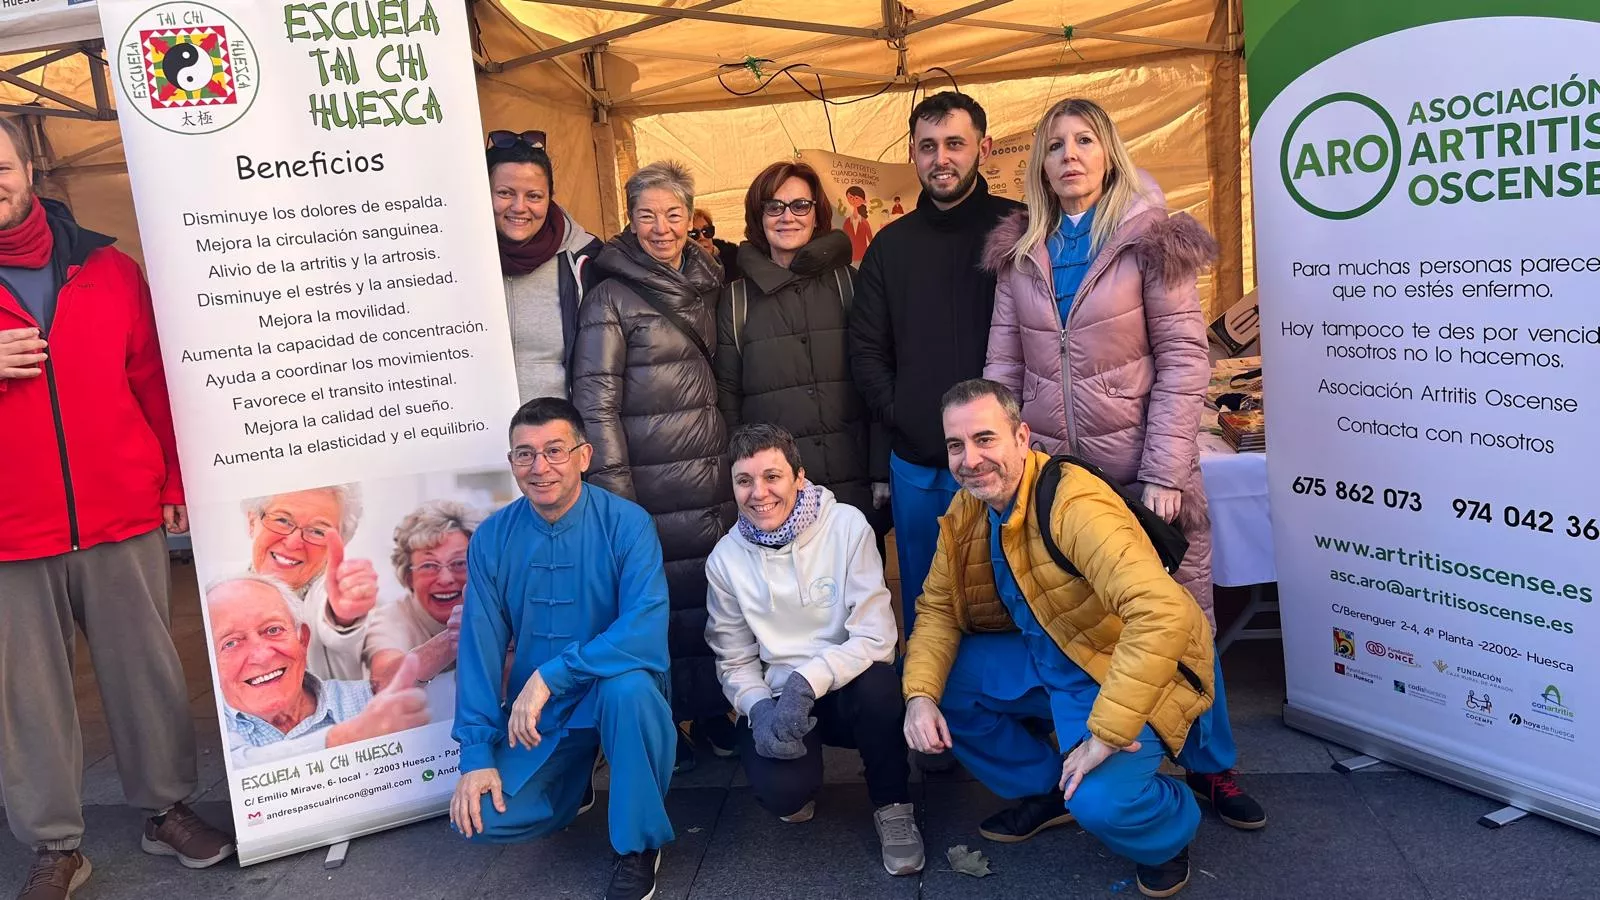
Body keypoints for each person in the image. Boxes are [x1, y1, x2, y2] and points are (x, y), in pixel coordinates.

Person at [981, 97, 1264, 830]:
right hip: (1055, 482)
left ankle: (1212, 768)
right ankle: (1084, 761)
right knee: (1072, 620)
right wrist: (1007, 461)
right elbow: (1003, 366)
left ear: (1108, 154)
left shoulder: (1151, 242)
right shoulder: (1020, 253)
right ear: (1039, 165)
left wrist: (1167, 472)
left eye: (1084, 141)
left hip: (1144, 472)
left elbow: (1183, 358)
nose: (1069, 155)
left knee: (1181, 619)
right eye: (1054, 146)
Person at [0, 116, 235, 898]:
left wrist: (171, 482)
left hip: (120, 510)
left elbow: (152, 380)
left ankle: (165, 809)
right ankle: (53, 843)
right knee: (26, 696)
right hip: (10, 531)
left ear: (27, 165)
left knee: (146, 674)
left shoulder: (107, 266)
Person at [903, 379, 1218, 898]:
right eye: (956, 445)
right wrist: (919, 696)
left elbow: (1161, 613)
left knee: (1103, 803)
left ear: (1022, 437)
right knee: (936, 686)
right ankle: (1047, 787)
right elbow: (937, 608)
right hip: (1048, 653)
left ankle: (1164, 832)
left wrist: (1107, 734)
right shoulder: (968, 508)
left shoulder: (1072, 501)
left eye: (985, 439)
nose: (970, 459)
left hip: (1113, 664)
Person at [451, 398, 674, 900]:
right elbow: (479, 649)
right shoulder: (492, 538)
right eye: (525, 455)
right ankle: (575, 788)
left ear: (584, 456)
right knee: (481, 819)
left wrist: (552, 674)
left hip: (616, 691)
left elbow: (644, 627)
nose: (540, 467)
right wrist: (476, 753)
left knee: (629, 690)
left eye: (554, 450)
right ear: (511, 464)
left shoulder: (628, 523)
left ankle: (638, 845)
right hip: (542, 715)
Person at [571, 160, 736, 771]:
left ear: (691, 219)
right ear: (629, 220)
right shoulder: (610, 294)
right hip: (648, 478)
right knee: (657, 602)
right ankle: (666, 721)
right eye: (647, 215)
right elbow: (595, 401)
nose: (662, 227)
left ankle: (717, 712)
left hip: (711, 472)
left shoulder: (709, 278)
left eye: (673, 214)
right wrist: (616, 498)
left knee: (710, 595)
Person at [704, 424, 921, 876]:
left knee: (881, 687)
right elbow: (734, 659)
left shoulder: (846, 526)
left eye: (772, 477)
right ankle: (800, 778)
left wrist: (811, 680)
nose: (758, 493)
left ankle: (893, 805)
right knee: (783, 796)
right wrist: (758, 708)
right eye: (744, 481)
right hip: (779, 699)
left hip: (846, 688)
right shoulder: (724, 559)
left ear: (799, 477)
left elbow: (877, 636)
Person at [850, 91, 1022, 637]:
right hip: (920, 463)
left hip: (1006, 464)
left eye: (954, 143)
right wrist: (904, 415)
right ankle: (933, 712)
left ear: (983, 148)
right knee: (931, 610)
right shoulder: (889, 246)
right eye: (928, 147)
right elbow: (867, 350)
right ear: (913, 153)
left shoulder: (1018, 230)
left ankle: (1013, 717)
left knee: (1017, 599)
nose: (940, 158)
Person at [713, 160, 887, 536]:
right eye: (774, 206)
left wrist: (878, 470)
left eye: (800, 206)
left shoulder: (849, 284)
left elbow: (877, 379)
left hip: (851, 486)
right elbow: (728, 400)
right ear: (757, 217)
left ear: (817, 213)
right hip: (775, 496)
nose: (787, 217)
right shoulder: (736, 300)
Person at [208, 574, 433, 766]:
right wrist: (346, 738)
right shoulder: (223, 732)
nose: (261, 655)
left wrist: (451, 640)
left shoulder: (365, 701)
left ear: (303, 640)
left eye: (273, 630)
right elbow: (242, 763)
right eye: (231, 643)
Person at [487, 129, 603, 402]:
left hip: (557, 438)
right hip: (475, 435)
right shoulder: (450, 261)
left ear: (550, 196)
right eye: (504, 193)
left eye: (534, 196)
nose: (519, 206)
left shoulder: (585, 261)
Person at [242, 485, 377, 681]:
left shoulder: (329, 594)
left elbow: (336, 630)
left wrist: (343, 617)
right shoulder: (216, 588)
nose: (293, 542)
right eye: (282, 520)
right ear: (252, 520)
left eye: (317, 531)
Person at [364, 499, 484, 692]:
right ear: (409, 577)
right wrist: (454, 638)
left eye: (460, 563)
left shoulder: (502, 605)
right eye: (429, 566)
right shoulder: (392, 619)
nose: (445, 579)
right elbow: (383, 682)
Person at [691, 208, 741, 283]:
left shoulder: (736, 260)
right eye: (694, 234)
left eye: (707, 231)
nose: (702, 237)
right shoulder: (680, 272)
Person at [840, 186, 873, 262]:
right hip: (849, 256)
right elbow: (843, 238)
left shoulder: (864, 222)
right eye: (850, 197)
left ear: (863, 201)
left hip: (863, 256)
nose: (853, 200)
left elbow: (870, 238)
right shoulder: (847, 221)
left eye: (856, 198)